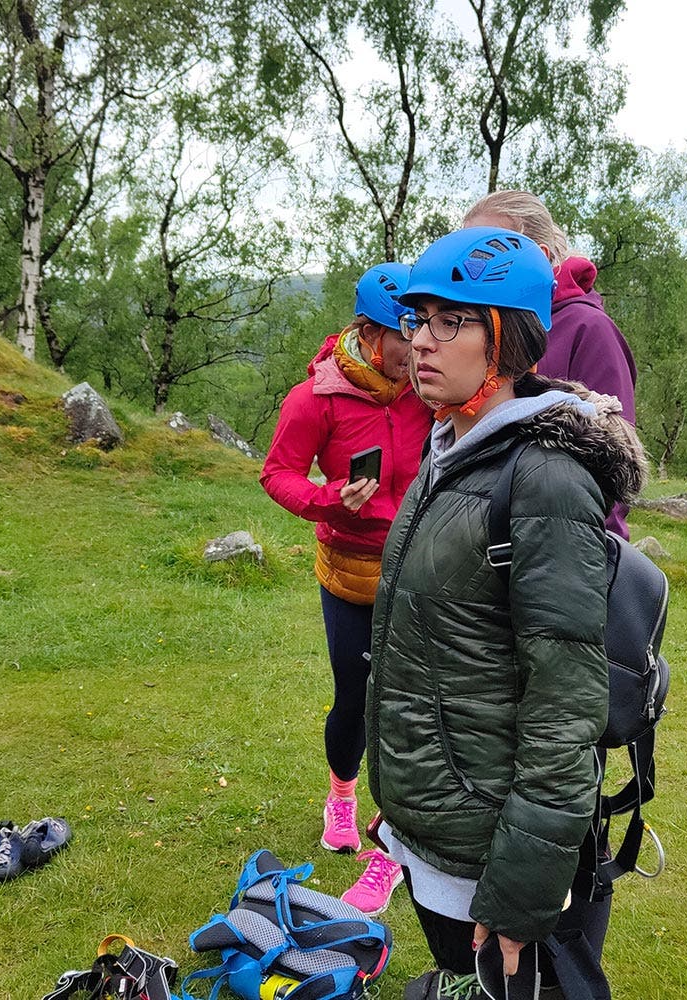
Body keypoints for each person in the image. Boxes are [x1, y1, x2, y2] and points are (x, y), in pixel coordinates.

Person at [364, 227, 646, 998]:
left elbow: (565, 700)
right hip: (444, 823)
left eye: (451, 321)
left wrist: (526, 881)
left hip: (498, 844)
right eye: (417, 318)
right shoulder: (450, 448)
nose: (421, 340)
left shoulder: (545, 477)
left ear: (506, 336)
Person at [260, 263, 433, 915]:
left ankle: (387, 845)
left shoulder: (430, 390)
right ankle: (341, 795)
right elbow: (277, 474)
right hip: (351, 577)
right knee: (354, 701)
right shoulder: (316, 399)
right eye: (404, 335)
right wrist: (328, 501)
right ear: (368, 331)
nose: (416, 349)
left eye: (423, 331)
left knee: (406, 709)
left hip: (421, 578)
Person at [463, 190, 638, 539]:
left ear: (540, 257)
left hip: (566, 540)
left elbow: (614, 458)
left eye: (491, 249)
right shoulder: (483, 328)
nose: (476, 266)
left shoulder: (589, 330)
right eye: (471, 252)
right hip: (493, 534)